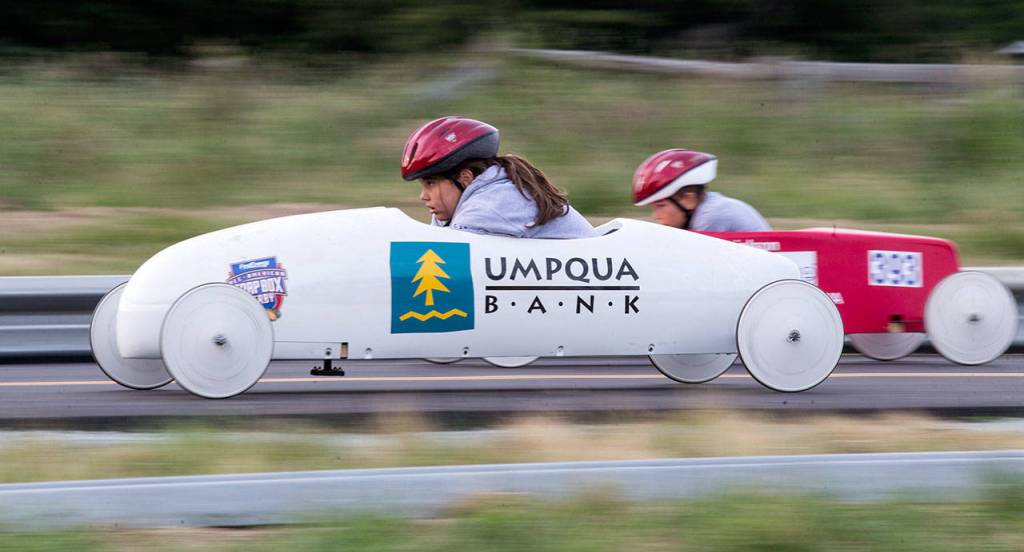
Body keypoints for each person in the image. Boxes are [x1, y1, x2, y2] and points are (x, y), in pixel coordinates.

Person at [401, 116, 597, 238]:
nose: (423, 196)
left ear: (465, 178)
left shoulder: (489, 207)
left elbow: (444, 260)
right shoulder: (468, 203)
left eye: (431, 183)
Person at [632, 149, 770, 232]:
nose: (656, 216)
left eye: (660, 206)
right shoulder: (710, 207)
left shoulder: (710, 217)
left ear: (688, 199)